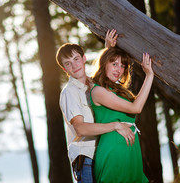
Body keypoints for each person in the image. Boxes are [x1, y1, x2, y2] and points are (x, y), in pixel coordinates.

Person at [56, 30, 136, 183]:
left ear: (84, 58)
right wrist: (115, 125)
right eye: (68, 63)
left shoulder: (94, 84)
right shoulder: (70, 92)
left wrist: (107, 49)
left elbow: (106, 72)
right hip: (86, 159)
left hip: (104, 154)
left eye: (76, 59)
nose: (74, 65)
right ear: (65, 69)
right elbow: (80, 128)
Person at [89, 31, 154, 183]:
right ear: (104, 63)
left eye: (122, 65)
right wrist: (149, 75)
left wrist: (109, 50)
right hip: (114, 151)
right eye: (114, 64)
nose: (119, 69)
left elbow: (133, 104)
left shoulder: (117, 91)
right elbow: (136, 108)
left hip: (131, 150)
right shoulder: (98, 91)